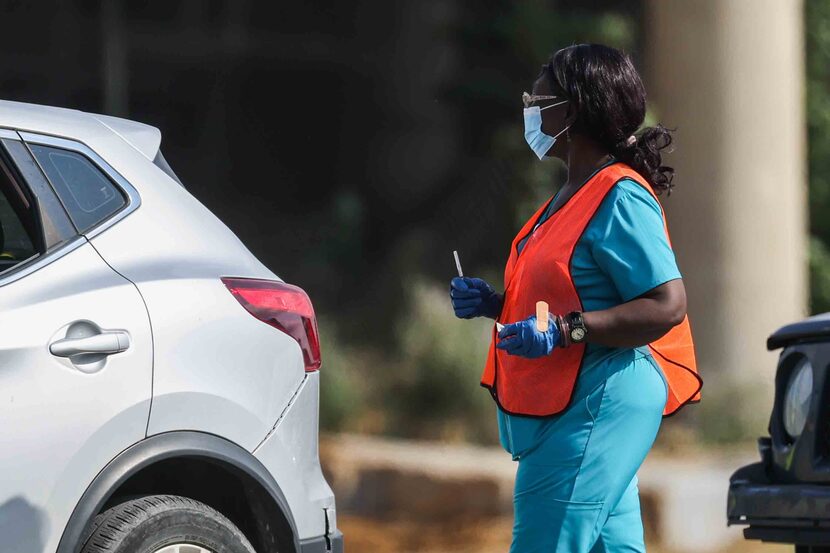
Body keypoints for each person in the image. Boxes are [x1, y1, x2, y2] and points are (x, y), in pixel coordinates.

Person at [449, 44, 702, 552]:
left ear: (573, 111)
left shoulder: (619, 194)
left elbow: (666, 305)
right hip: (572, 400)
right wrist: (496, 304)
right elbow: (570, 291)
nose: (529, 109)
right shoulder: (568, 196)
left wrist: (566, 331)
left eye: (538, 100)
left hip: (599, 400)